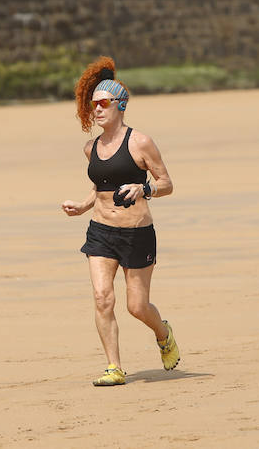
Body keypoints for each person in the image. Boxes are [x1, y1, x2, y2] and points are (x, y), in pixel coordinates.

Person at [61, 56, 178, 386]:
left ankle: (163, 332)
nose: (96, 109)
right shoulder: (90, 148)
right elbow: (100, 187)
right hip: (101, 233)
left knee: (137, 307)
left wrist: (144, 189)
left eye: (103, 103)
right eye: (93, 104)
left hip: (137, 234)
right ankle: (114, 367)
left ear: (120, 105)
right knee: (102, 298)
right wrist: (83, 206)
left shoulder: (140, 142)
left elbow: (167, 183)